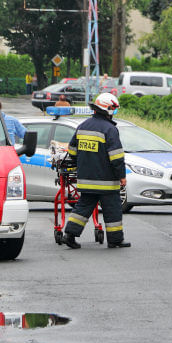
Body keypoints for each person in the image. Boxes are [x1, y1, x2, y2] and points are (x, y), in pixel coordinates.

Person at [62, 93, 130, 249]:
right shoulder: (110, 129)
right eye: (113, 108)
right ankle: (115, 240)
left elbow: (72, 152)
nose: (114, 111)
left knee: (82, 208)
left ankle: (69, 235)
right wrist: (122, 177)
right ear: (107, 108)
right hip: (106, 181)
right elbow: (116, 158)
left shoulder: (83, 126)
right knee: (112, 210)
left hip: (86, 179)